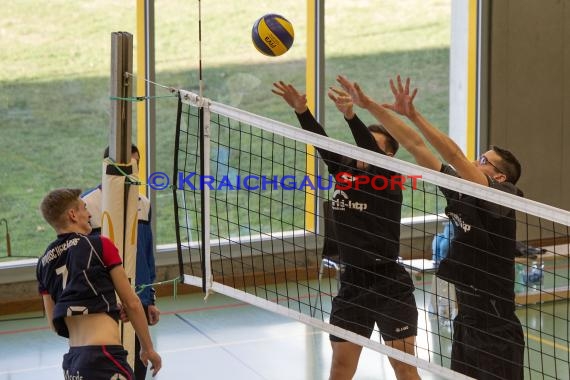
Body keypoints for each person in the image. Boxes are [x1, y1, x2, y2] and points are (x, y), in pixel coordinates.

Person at [337, 74, 525, 379]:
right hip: (465, 319)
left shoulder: (503, 197)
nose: (476, 162)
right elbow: (414, 145)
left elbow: (452, 154)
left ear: (500, 177)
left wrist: (416, 114)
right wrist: (370, 106)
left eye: (484, 160)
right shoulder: (461, 188)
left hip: (496, 326)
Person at [272, 81, 420, 380]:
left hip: (389, 284)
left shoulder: (388, 180)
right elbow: (323, 143)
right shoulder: (345, 172)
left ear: (388, 157)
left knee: (403, 367)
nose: (363, 150)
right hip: (352, 283)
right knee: (340, 366)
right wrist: (302, 111)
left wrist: (352, 117)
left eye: (373, 146)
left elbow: (367, 146)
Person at [36, 188, 162, 379]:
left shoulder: (43, 262)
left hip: (73, 363)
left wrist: (107, 308)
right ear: (72, 214)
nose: (89, 215)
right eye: (84, 209)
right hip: (103, 358)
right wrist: (148, 348)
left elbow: (54, 321)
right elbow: (133, 303)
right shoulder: (99, 245)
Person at [82, 143, 160, 380]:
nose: (130, 172)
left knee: (137, 368)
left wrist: (150, 299)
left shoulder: (143, 203)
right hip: (104, 305)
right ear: (108, 169)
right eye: (124, 167)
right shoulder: (88, 205)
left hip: (138, 303)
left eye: (134, 166)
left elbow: (146, 256)